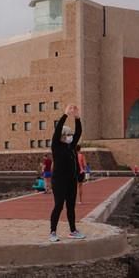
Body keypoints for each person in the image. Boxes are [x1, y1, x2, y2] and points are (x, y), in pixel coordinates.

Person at [49, 104, 85, 242]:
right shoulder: (56, 146)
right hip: (59, 180)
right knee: (59, 205)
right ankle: (52, 232)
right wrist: (65, 115)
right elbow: (57, 131)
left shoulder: (71, 147)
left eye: (71, 135)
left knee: (71, 206)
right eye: (68, 135)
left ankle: (73, 230)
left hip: (71, 180)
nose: (71, 137)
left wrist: (77, 118)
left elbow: (79, 132)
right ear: (62, 136)